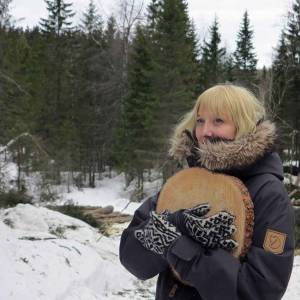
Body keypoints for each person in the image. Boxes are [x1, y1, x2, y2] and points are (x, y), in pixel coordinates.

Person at [119, 84, 295, 300]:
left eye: (218, 121)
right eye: (200, 121)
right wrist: (174, 223)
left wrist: (181, 248)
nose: (205, 132)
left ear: (244, 125)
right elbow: (132, 259)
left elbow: (260, 291)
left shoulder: (268, 193)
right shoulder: (185, 184)